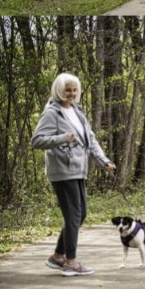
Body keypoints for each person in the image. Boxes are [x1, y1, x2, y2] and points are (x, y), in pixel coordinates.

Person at [31, 73, 116, 277]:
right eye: (68, 89)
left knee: (81, 213)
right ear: (59, 90)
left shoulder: (77, 111)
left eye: (74, 90)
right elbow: (37, 140)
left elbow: (90, 139)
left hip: (79, 169)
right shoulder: (52, 113)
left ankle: (58, 256)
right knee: (73, 215)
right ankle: (71, 262)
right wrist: (62, 138)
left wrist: (104, 160)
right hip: (62, 170)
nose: (71, 93)